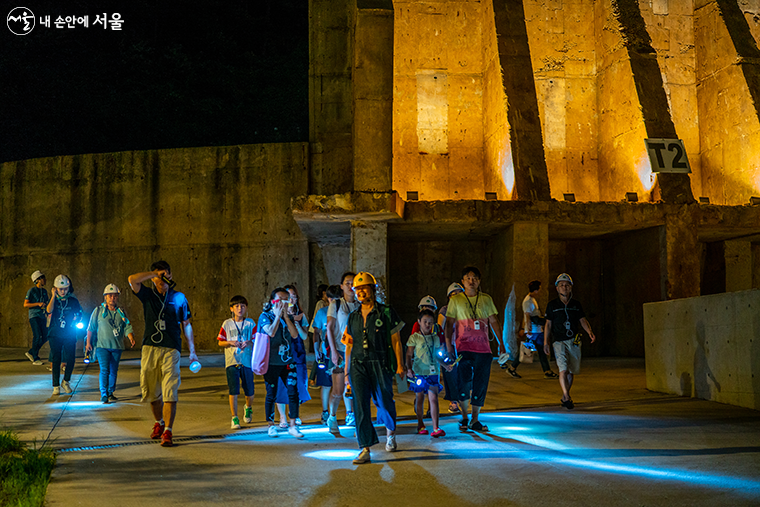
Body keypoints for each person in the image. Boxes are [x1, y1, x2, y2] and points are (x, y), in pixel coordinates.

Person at [128, 261, 198, 447]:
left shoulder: (179, 297)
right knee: (151, 391)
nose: (162, 279)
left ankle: (168, 431)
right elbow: (132, 280)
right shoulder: (148, 295)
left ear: (171, 275)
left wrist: (192, 351)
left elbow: (187, 324)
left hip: (171, 348)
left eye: (166, 275)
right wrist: (153, 274)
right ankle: (159, 423)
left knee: (170, 389)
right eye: (160, 276)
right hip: (150, 347)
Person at [342, 271, 404, 465]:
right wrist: (346, 372)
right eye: (357, 289)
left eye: (364, 288)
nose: (360, 292)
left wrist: (400, 364)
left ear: (372, 289)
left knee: (384, 401)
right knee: (360, 405)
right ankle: (365, 448)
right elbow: (348, 345)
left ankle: (390, 434)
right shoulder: (353, 317)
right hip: (357, 365)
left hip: (380, 363)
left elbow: (396, 340)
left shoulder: (385, 312)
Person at [444, 266, 505, 432]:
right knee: (463, 382)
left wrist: (501, 343)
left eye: (475, 278)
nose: (472, 281)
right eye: (468, 278)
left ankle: (475, 419)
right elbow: (449, 323)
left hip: (483, 349)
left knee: (481, 383)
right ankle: (464, 417)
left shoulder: (486, 299)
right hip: (463, 347)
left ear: (479, 282)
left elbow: (494, 321)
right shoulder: (456, 301)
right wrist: (449, 344)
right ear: (463, 281)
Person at [544, 273, 597, 410]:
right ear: (557, 288)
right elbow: (548, 324)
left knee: (571, 370)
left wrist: (589, 331)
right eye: (561, 285)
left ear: (571, 287)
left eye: (567, 285)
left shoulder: (576, 305)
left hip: (573, 340)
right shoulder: (552, 305)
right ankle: (567, 396)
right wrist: (546, 342)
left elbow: (582, 320)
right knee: (563, 369)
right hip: (558, 341)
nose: (564, 287)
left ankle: (564, 395)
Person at [257, 287, 304, 438]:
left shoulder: (288, 316)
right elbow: (270, 332)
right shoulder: (265, 316)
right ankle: (271, 425)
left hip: (288, 362)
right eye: (280, 300)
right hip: (271, 362)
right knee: (272, 392)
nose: (284, 303)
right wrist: (277, 317)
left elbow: (295, 335)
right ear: (272, 302)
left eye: (286, 300)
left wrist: (285, 316)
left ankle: (292, 425)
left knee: (293, 391)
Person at [85, 284, 136, 404]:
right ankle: (104, 394)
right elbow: (90, 328)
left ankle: (110, 392)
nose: (112, 298)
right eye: (110, 296)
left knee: (113, 370)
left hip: (117, 347)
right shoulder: (98, 311)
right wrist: (88, 343)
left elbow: (127, 326)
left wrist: (131, 338)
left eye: (115, 296)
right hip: (102, 346)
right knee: (104, 370)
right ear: (105, 297)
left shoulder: (121, 312)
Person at [406, 308, 447, 438]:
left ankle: (435, 427)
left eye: (430, 322)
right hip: (419, 372)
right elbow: (409, 354)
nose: (428, 325)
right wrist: (409, 368)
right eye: (425, 322)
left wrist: (446, 365)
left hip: (433, 373)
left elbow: (436, 356)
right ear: (419, 322)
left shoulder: (435, 338)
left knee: (433, 398)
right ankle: (420, 424)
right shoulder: (414, 337)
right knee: (420, 398)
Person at [325, 272, 359, 432]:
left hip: (357, 351)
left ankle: (352, 414)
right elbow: (330, 328)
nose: (351, 286)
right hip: (340, 349)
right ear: (341, 286)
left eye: (354, 283)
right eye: (347, 283)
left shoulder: (361, 304)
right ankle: (332, 416)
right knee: (338, 390)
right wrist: (333, 350)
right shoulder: (336, 304)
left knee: (355, 388)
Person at [505, 280, 558, 379]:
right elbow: (527, 316)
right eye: (540, 289)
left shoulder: (531, 299)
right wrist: (527, 329)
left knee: (539, 351)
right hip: (533, 331)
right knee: (526, 351)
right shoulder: (528, 301)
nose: (540, 291)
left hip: (536, 331)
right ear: (536, 290)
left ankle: (547, 371)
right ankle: (512, 368)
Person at [217, 295, 256, 429]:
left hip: (246, 361)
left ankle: (248, 407)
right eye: (237, 306)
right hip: (232, 361)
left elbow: (257, 339)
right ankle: (234, 417)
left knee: (249, 390)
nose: (240, 309)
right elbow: (220, 341)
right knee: (233, 390)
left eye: (243, 306)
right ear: (231, 309)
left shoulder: (250, 323)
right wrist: (230, 342)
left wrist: (249, 342)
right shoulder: (227, 324)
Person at [274, 285, 311, 427]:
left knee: (297, 384)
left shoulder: (300, 316)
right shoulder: (276, 314)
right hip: (282, 354)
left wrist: (295, 322)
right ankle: (282, 417)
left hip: (298, 353)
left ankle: (294, 414)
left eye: (294, 296)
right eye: (288, 297)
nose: (291, 299)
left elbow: (304, 335)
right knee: (281, 385)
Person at [310, 285, 342, 425]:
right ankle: (325, 412)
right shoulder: (322, 312)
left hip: (341, 353)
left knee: (344, 384)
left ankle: (349, 413)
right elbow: (316, 332)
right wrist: (316, 350)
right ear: (328, 299)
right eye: (332, 299)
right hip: (325, 353)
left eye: (337, 299)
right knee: (326, 385)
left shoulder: (344, 312)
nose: (334, 301)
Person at [46, 275, 83, 396]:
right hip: (55, 333)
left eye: (65, 288)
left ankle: (66, 381)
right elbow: (48, 310)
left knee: (71, 358)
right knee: (56, 359)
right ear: (55, 288)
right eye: (60, 289)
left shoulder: (73, 300)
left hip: (69, 332)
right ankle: (55, 385)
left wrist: (76, 320)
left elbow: (79, 313)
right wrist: (53, 296)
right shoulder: (54, 300)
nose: (63, 291)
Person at [439, 283, 464, 414]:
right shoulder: (445, 310)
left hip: (464, 345)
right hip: (450, 345)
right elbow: (439, 327)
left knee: (463, 373)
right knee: (451, 373)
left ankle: (462, 399)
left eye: (459, 294)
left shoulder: (466, 309)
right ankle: (453, 401)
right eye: (454, 295)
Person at [24, 270, 49, 365]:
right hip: (34, 316)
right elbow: (25, 304)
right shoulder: (32, 291)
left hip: (42, 316)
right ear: (38, 280)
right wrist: (38, 304)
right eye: (43, 278)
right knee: (37, 336)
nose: (45, 280)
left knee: (46, 336)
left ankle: (31, 352)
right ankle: (35, 357)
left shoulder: (45, 291)